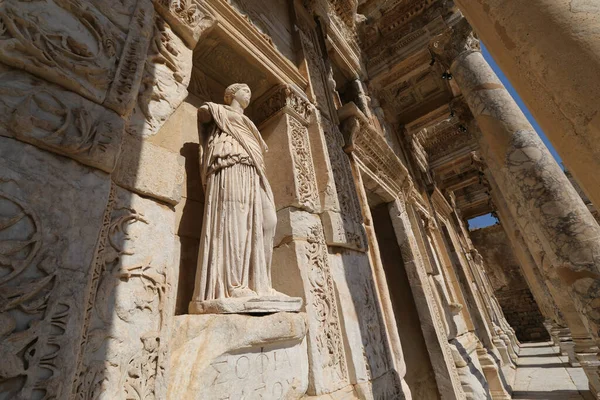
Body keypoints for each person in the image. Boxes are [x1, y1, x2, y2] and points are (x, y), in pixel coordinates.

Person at [190, 83, 280, 308]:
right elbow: (203, 115)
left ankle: (261, 283)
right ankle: (233, 285)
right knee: (235, 222)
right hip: (229, 164)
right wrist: (215, 111)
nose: (249, 93)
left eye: (251, 90)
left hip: (251, 170)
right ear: (231, 94)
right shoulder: (217, 110)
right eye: (244, 90)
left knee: (269, 221)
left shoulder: (249, 123)